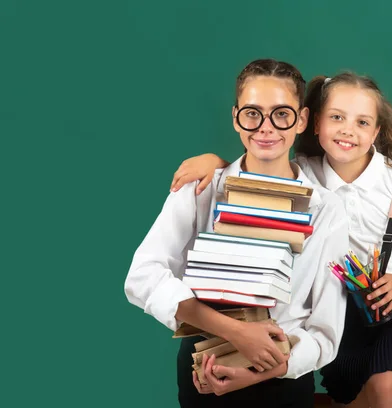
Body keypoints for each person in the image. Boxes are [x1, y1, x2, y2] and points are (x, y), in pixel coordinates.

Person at [169, 71, 392, 408]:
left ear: (376, 132)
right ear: (314, 123)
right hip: (335, 308)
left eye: (362, 122)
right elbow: (256, 164)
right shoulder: (304, 173)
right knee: (343, 398)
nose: (348, 129)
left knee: (384, 391)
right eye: (337, 117)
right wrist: (215, 163)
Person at [124, 59, 349, 408]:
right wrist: (236, 332)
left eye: (282, 114)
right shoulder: (201, 188)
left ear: (302, 120)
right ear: (235, 117)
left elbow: (326, 329)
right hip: (205, 365)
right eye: (252, 113)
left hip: (282, 372)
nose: (266, 128)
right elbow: (142, 277)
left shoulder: (326, 209)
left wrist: (264, 368)